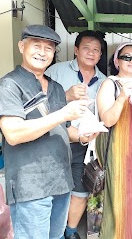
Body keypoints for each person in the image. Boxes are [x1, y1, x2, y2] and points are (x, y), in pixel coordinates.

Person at [0, 25, 93, 239]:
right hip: (31, 185)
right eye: (36, 46)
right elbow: (14, 133)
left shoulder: (54, 87)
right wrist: (64, 113)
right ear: (21, 46)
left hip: (61, 182)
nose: (43, 52)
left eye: (49, 48)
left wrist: (83, 135)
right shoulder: (8, 86)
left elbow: (62, 130)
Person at [45, 30, 106, 239]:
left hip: (86, 145)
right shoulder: (55, 72)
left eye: (96, 50)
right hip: (57, 141)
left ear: (100, 55)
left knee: (81, 190)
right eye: (87, 48)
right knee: (56, 190)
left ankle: (71, 231)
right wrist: (66, 96)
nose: (91, 53)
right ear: (76, 50)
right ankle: (55, 232)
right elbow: (40, 107)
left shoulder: (104, 81)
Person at [95, 42, 132, 239]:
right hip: (116, 151)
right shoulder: (109, 84)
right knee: (117, 201)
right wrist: (122, 97)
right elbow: (108, 119)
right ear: (117, 61)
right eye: (127, 57)